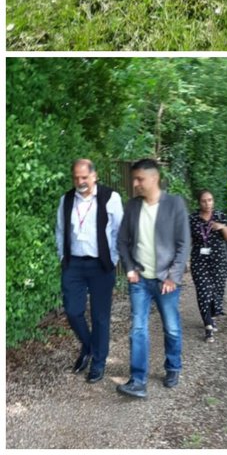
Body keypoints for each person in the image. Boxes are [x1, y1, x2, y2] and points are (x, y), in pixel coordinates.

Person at [115, 159, 190, 398]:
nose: (135, 184)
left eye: (139, 179)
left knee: (172, 327)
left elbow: (183, 244)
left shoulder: (175, 204)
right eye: (134, 179)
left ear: (154, 178)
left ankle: (173, 366)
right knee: (137, 329)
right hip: (140, 280)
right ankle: (137, 381)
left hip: (165, 280)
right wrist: (129, 267)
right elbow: (122, 241)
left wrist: (173, 276)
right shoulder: (133, 206)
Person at [56, 158, 124, 383]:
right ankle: (88, 346)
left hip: (100, 265)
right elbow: (60, 230)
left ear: (94, 176)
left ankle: (98, 362)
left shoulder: (111, 198)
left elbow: (119, 232)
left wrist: (113, 258)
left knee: (100, 316)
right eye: (76, 177)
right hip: (73, 264)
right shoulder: (66, 200)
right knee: (73, 311)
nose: (80, 181)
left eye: (84, 177)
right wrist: (62, 256)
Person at [189, 190, 227, 342]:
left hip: (219, 259)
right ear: (199, 202)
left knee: (217, 291)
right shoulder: (193, 219)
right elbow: (187, 240)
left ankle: (212, 315)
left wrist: (221, 227)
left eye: (210, 200)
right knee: (203, 290)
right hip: (199, 260)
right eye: (204, 201)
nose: (207, 204)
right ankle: (208, 325)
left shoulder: (220, 216)